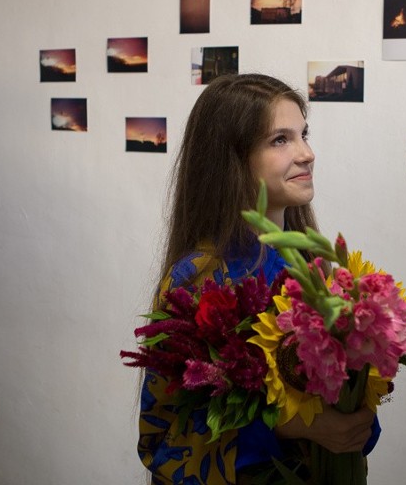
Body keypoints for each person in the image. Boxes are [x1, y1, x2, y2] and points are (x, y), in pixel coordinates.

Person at [138, 74, 379, 484]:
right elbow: (162, 442)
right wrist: (292, 427)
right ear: (232, 159)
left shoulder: (314, 267)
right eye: (280, 140)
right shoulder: (196, 281)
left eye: (304, 134)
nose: (307, 153)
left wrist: (358, 410)